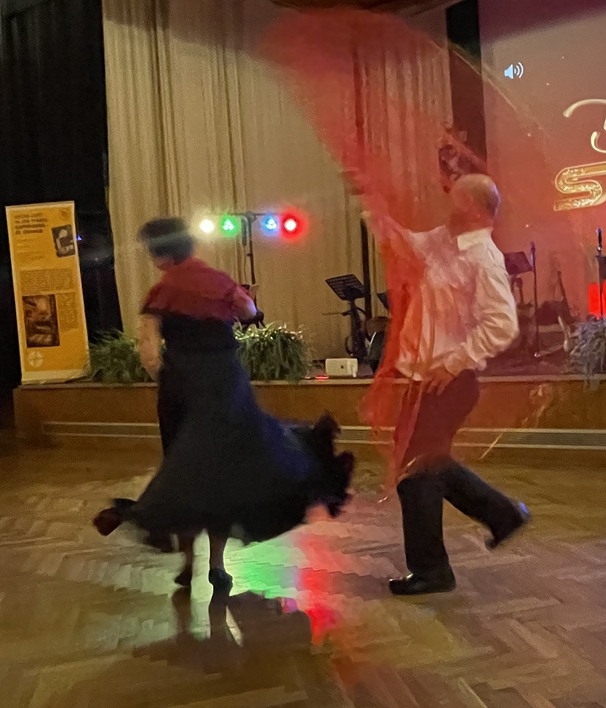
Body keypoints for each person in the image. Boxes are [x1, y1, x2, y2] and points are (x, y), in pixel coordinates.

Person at [92, 218, 354, 590]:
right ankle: (217, 565)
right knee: (226, 476)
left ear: (160, 254)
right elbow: (248, 311)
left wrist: (168, 376)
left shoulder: (160, 292)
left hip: (182, 388)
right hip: (227, 387)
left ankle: (187, 563)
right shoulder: (219, 282)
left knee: (184, 472)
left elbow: (149, 351)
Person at [361, 174, 531, 596]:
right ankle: (502, 515)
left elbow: (502, 324)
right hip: (428, 379)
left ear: (474, 207)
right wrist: (374, 205)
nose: (447, 207)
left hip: (450, 382)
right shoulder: (442, 241)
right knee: (424, 465)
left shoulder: (484, 258)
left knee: (416, 470)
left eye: (455, 200)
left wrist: (455, 362)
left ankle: (434, 569)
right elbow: (405, 244)